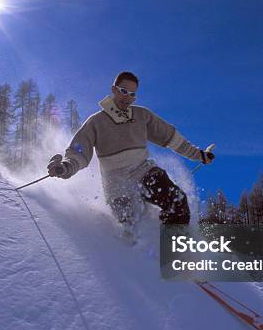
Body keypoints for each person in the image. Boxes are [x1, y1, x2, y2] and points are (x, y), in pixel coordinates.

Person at [47, 71, 214, 231]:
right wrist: (66, 166)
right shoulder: (96, 122)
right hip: (117, 186)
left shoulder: (142, 116)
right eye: (124, 91)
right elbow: (79, 151)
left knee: (177, 200)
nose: (128, 98)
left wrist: (199, 155)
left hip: (145, 172)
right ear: (114, 89)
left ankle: (173, 248)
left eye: (133, 94)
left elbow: (172, 138)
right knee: (131, 227)